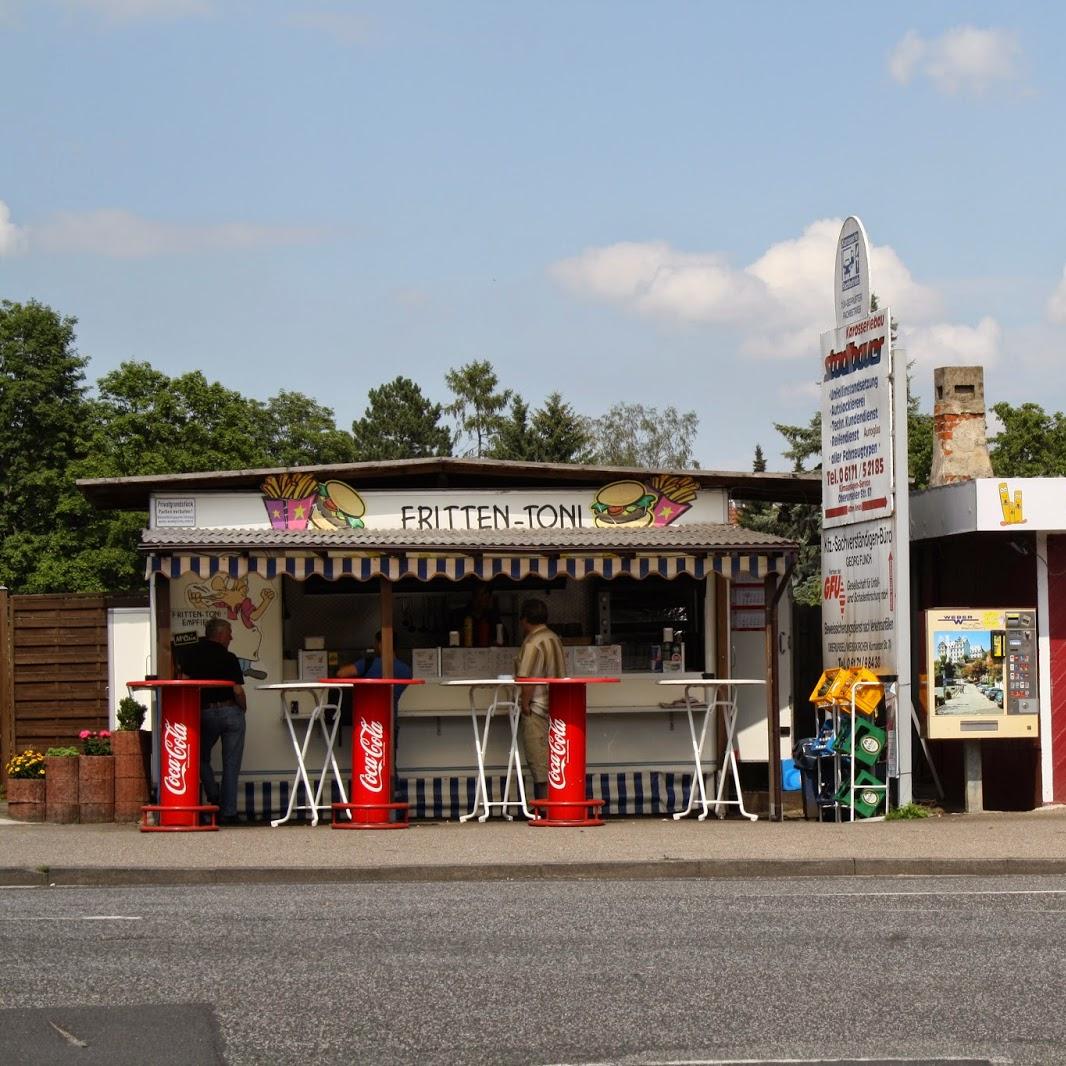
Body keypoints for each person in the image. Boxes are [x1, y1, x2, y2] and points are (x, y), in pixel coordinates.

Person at [174, 616, 248, 826]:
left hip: (204, 712)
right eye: (230, 633)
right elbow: (237, 690)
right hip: (230, 711)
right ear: (221, 634)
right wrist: (242, 708)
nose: (231, 638)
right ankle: (229, 812)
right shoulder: (229, 657)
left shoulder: (191, 654)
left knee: (199, 757)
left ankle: (213, 793)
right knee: (231, 764)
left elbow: (184, 683)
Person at [336, 630, 413, 808]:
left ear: (381, 644)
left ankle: (370, 800)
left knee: (367, 763)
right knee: (389, 762)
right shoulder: (406, 670)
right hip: (391, 720)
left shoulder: (370, 663)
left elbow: (342, 673)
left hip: (367, 722)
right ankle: (394, 801)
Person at [514, 598, 566, 802]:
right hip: (557, 706)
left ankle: (543, 808)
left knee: (538, 761)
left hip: (537, 707)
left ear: (524, 619)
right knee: (555, 761)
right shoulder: (553, 637)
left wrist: (525, 704)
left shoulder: (532, 643)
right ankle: (555, 803)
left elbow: (528, 679)